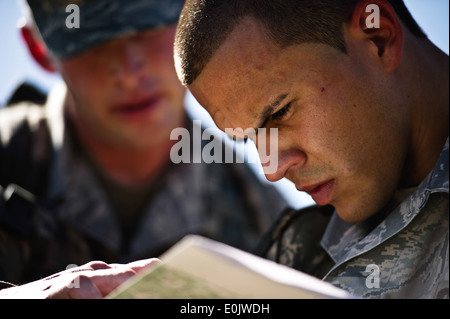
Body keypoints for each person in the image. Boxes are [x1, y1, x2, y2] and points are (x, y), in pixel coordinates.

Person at [0, 0, 287, 297]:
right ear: (38, 47)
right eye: (93, 38)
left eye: (149, 27)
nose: (129, 69)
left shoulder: (260, 215)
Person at [173, 0, 449, 298]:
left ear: (379, 37)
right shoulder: (293, 259)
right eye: (247, 138)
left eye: (279, 112)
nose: (272, 170)